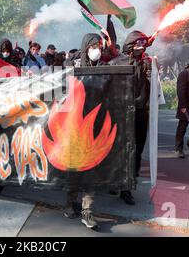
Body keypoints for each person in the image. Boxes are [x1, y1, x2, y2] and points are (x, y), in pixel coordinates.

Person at [63, 33, 107, 231]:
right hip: (74, 129)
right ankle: (69, 202)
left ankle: (87, 211)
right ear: (86, 47)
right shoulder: (71, 67)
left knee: (91, 172)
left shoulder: (104, 67)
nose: (97, 49)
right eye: (94, 46)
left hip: (94, 128)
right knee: (74, 171)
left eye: (99, 46)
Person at [110, 31, 153, 206]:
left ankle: (127, 186)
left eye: (143, 44)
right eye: (137, 44)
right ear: (129, 45)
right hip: (121, 112)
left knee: (137, 149)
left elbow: (152, 84)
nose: (140, 47)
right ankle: (116, 181)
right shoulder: (116, 62)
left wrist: (150, 68)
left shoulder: (147, 62)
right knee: (120, 149)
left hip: (141, 111)